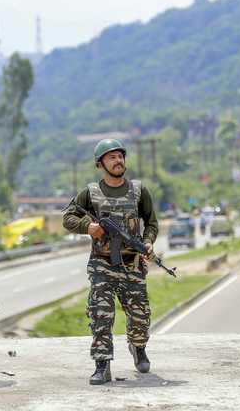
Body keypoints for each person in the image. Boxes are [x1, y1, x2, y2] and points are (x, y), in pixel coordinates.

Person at [63, 138, 159, 385]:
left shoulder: (138, 191)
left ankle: (138, 347)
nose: (118, 161)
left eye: (120, 156)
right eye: (111, 157)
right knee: (100, 314)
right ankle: (102, 364)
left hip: (132, 263)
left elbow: (151, 223)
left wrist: (147, 242)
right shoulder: (91, 192)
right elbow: (68, 218)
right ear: (100, 164)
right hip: (102, 264)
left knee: (140, 316)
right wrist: (89, 227)